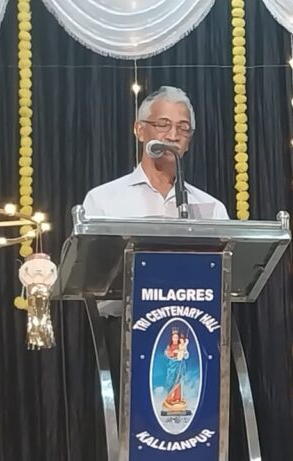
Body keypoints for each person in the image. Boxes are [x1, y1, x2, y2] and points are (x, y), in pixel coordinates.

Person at [80, 85, 229, 395]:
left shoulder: (210, 207)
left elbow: (226, 279)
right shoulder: (104, 199)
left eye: (183, 128)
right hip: (124, 338)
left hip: (196, 339)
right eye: (163, 124)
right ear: (139, 130)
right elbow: (92, 280)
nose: (173, 135)